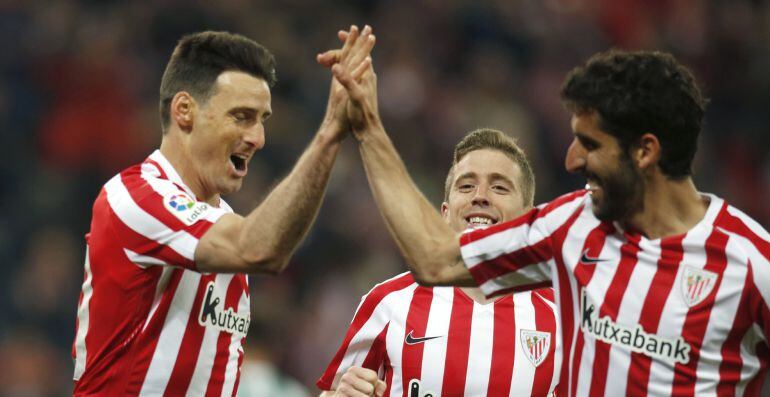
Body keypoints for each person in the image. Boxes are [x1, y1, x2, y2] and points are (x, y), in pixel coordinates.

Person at [331, 45, 770, 396]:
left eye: (589, 144)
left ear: (644, 151)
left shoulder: (752, 264)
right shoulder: (573, 226)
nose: (572, 159)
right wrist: (368, 128)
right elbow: (435, 260)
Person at [71, 27, 375, 395]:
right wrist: (330, 133)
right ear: (184, 111)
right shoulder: (135, 198)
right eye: (242, 116)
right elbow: (258, 248)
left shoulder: (224, 224)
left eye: (262, 119)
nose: (258, 138)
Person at [317, 129, 561, 397]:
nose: (480, 196)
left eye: (499, 187)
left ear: (529, 218)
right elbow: (335, 392)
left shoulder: (562, 319)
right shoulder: (389, 302)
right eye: (466, 186)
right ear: (445, 214)